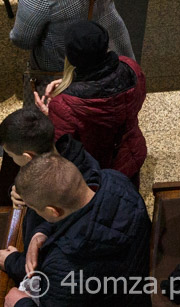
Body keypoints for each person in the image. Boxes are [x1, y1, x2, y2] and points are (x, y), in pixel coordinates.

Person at [0, 154, 150, 307]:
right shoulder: (116, 181)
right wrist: (41, 232)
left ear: (53, 211)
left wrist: (20, 303)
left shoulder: (67, 264)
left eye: (36, 210)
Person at [34, 21, 146, 181]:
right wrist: (73, 84)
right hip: (131, 153)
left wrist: (50, 113)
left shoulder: (64, 105)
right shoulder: (131, 67)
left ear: (71, 58)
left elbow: (64, 148)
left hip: (96, 169)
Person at [0, 107, 101, 281]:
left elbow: (53, 268)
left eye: (10, 155)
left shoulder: (77, 186)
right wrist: (17, 191)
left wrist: (12, 261)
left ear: (27, 157)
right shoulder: (74, 155)